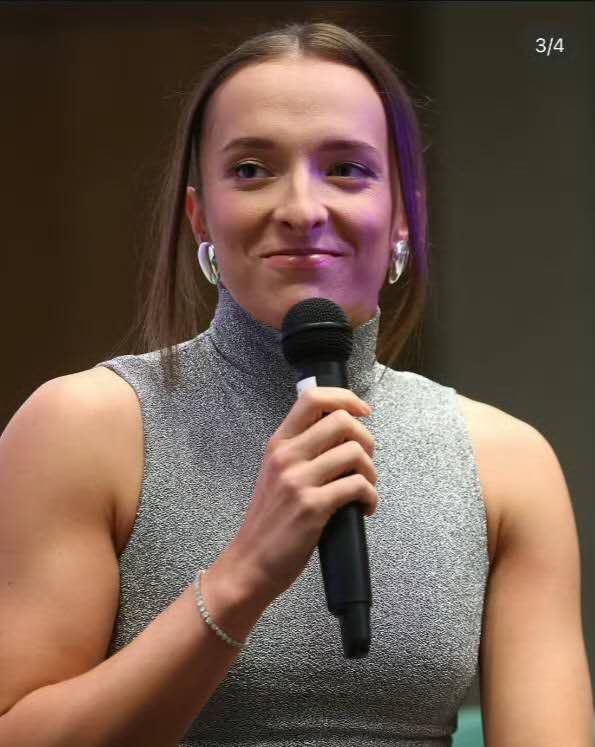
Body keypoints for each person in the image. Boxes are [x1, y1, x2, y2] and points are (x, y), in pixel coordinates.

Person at [0, 20, 592, 747]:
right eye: (252, 170)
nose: (302, 210)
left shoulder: (505, 463)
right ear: (200, 217)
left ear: (403, 215)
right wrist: (244, 574)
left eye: (346, 169)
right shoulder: (84, 429)